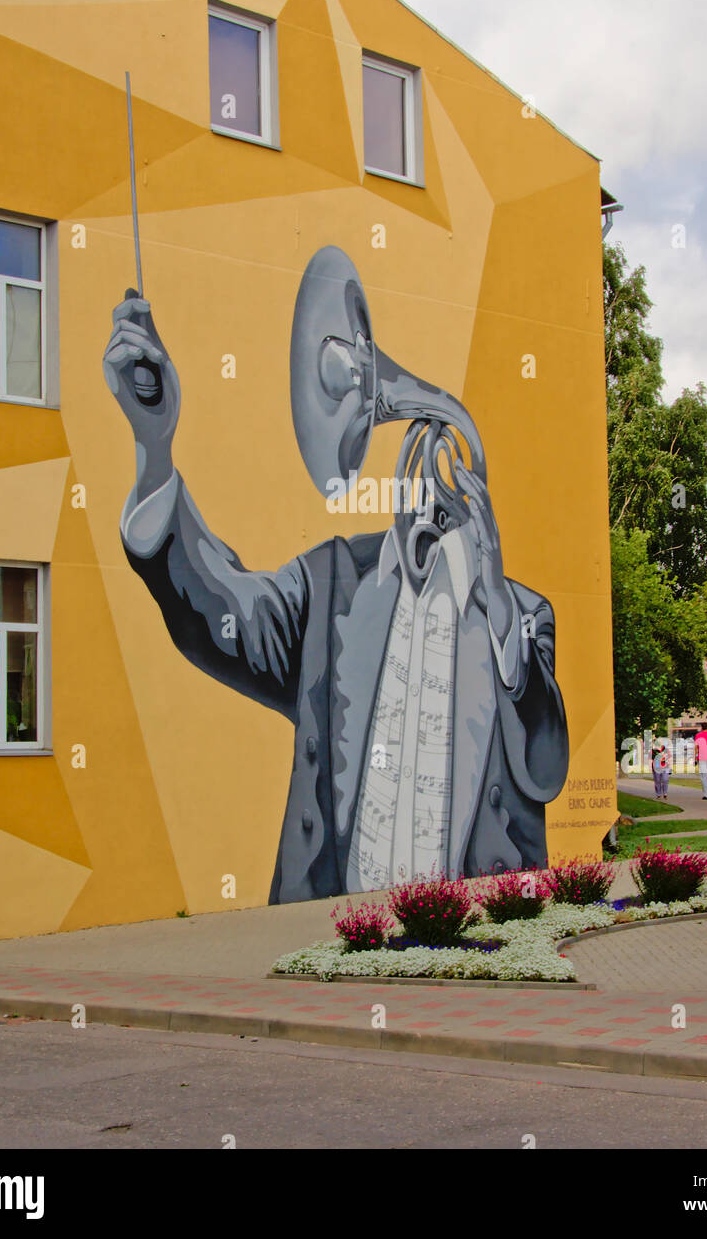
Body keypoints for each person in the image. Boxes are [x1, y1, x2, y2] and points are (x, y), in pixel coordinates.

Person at [103, 265, 570, 906]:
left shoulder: (524, 614)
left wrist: (494, 610)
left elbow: (545, 770)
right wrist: (155, 448)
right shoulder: (330, 587)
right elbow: (218, 616)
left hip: (482, 944)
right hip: (337, 946)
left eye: (449, 487)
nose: (434, 497)